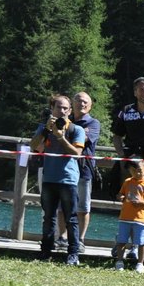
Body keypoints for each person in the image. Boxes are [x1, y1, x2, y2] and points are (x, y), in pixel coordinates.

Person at [31, 93, 87, 265]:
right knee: (48, 217)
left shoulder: (76, 130)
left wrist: (61, 138)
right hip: (49, 178)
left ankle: (73, 254)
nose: (62, 111)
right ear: (52, 109)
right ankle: (45, 251)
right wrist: (46, 130)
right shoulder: (44, 128)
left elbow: (77, 153)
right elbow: (34, 147)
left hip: (68, 180)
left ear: (70, 111)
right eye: (58, 107)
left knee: (71, 218)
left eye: (65, 108)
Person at [111, 157, 144, 272]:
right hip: (125, 217)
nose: (136, 173)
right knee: (121, 241)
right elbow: (120, 194)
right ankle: (119, 261)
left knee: (141, 242)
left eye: (139, 170)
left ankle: (140, 264)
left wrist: (142, 202)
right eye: (133, 171)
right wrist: (121, 197)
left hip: (141, 218)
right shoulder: (127, 182)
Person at [71, 91, 101, 244]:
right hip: (65, 169)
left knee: (83, 206)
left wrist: (63, 135)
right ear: (72, 103)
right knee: (63, 206)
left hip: (84, 169)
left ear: (90, 106)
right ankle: (62, 238)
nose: (81, 104)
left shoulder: (93, 123)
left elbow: (82, 139)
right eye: (78, 100)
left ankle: (80, 239)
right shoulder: (65, 120)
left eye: (85, 102)